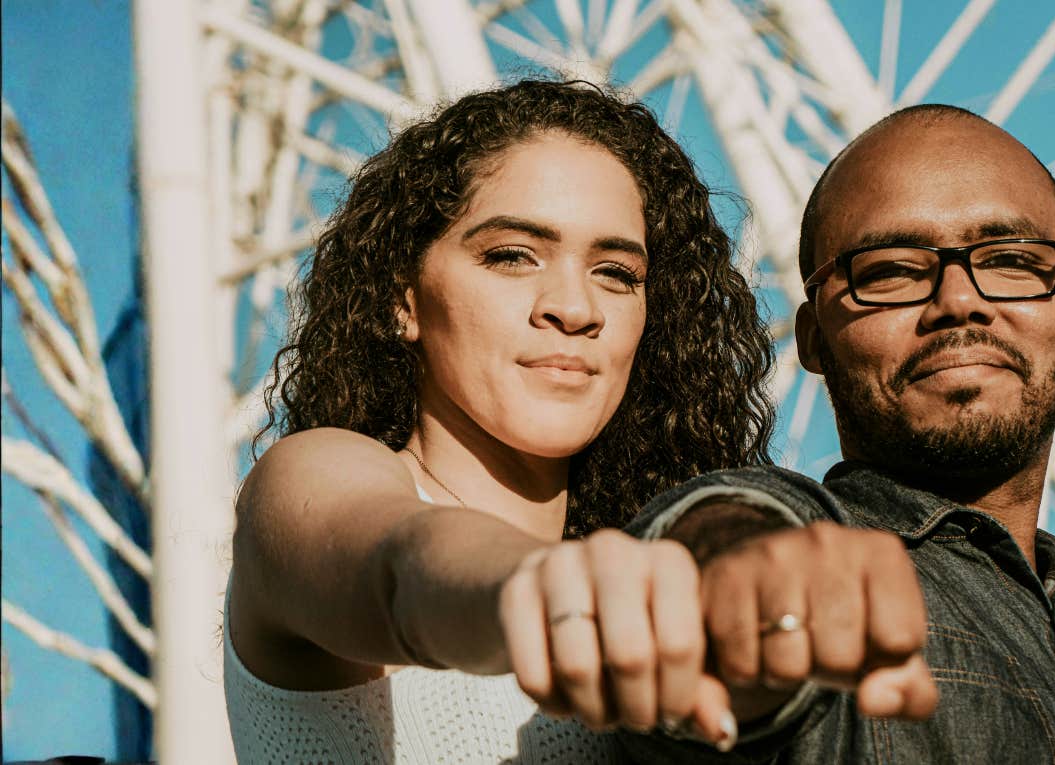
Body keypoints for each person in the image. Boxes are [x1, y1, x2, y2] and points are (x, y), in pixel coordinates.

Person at [617, 104, 1055, 763]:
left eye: (1010, 259)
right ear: (812, 339)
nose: (958, 301)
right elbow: (706, 561)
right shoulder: (808, 567)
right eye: (889, 270)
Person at [223, 80, 776, 762]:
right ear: (405, 299)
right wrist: (554, 593)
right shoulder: (312, 477)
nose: (574, 307)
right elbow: (404, 569)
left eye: (615, 272)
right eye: (511, 255)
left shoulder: (657, 585)